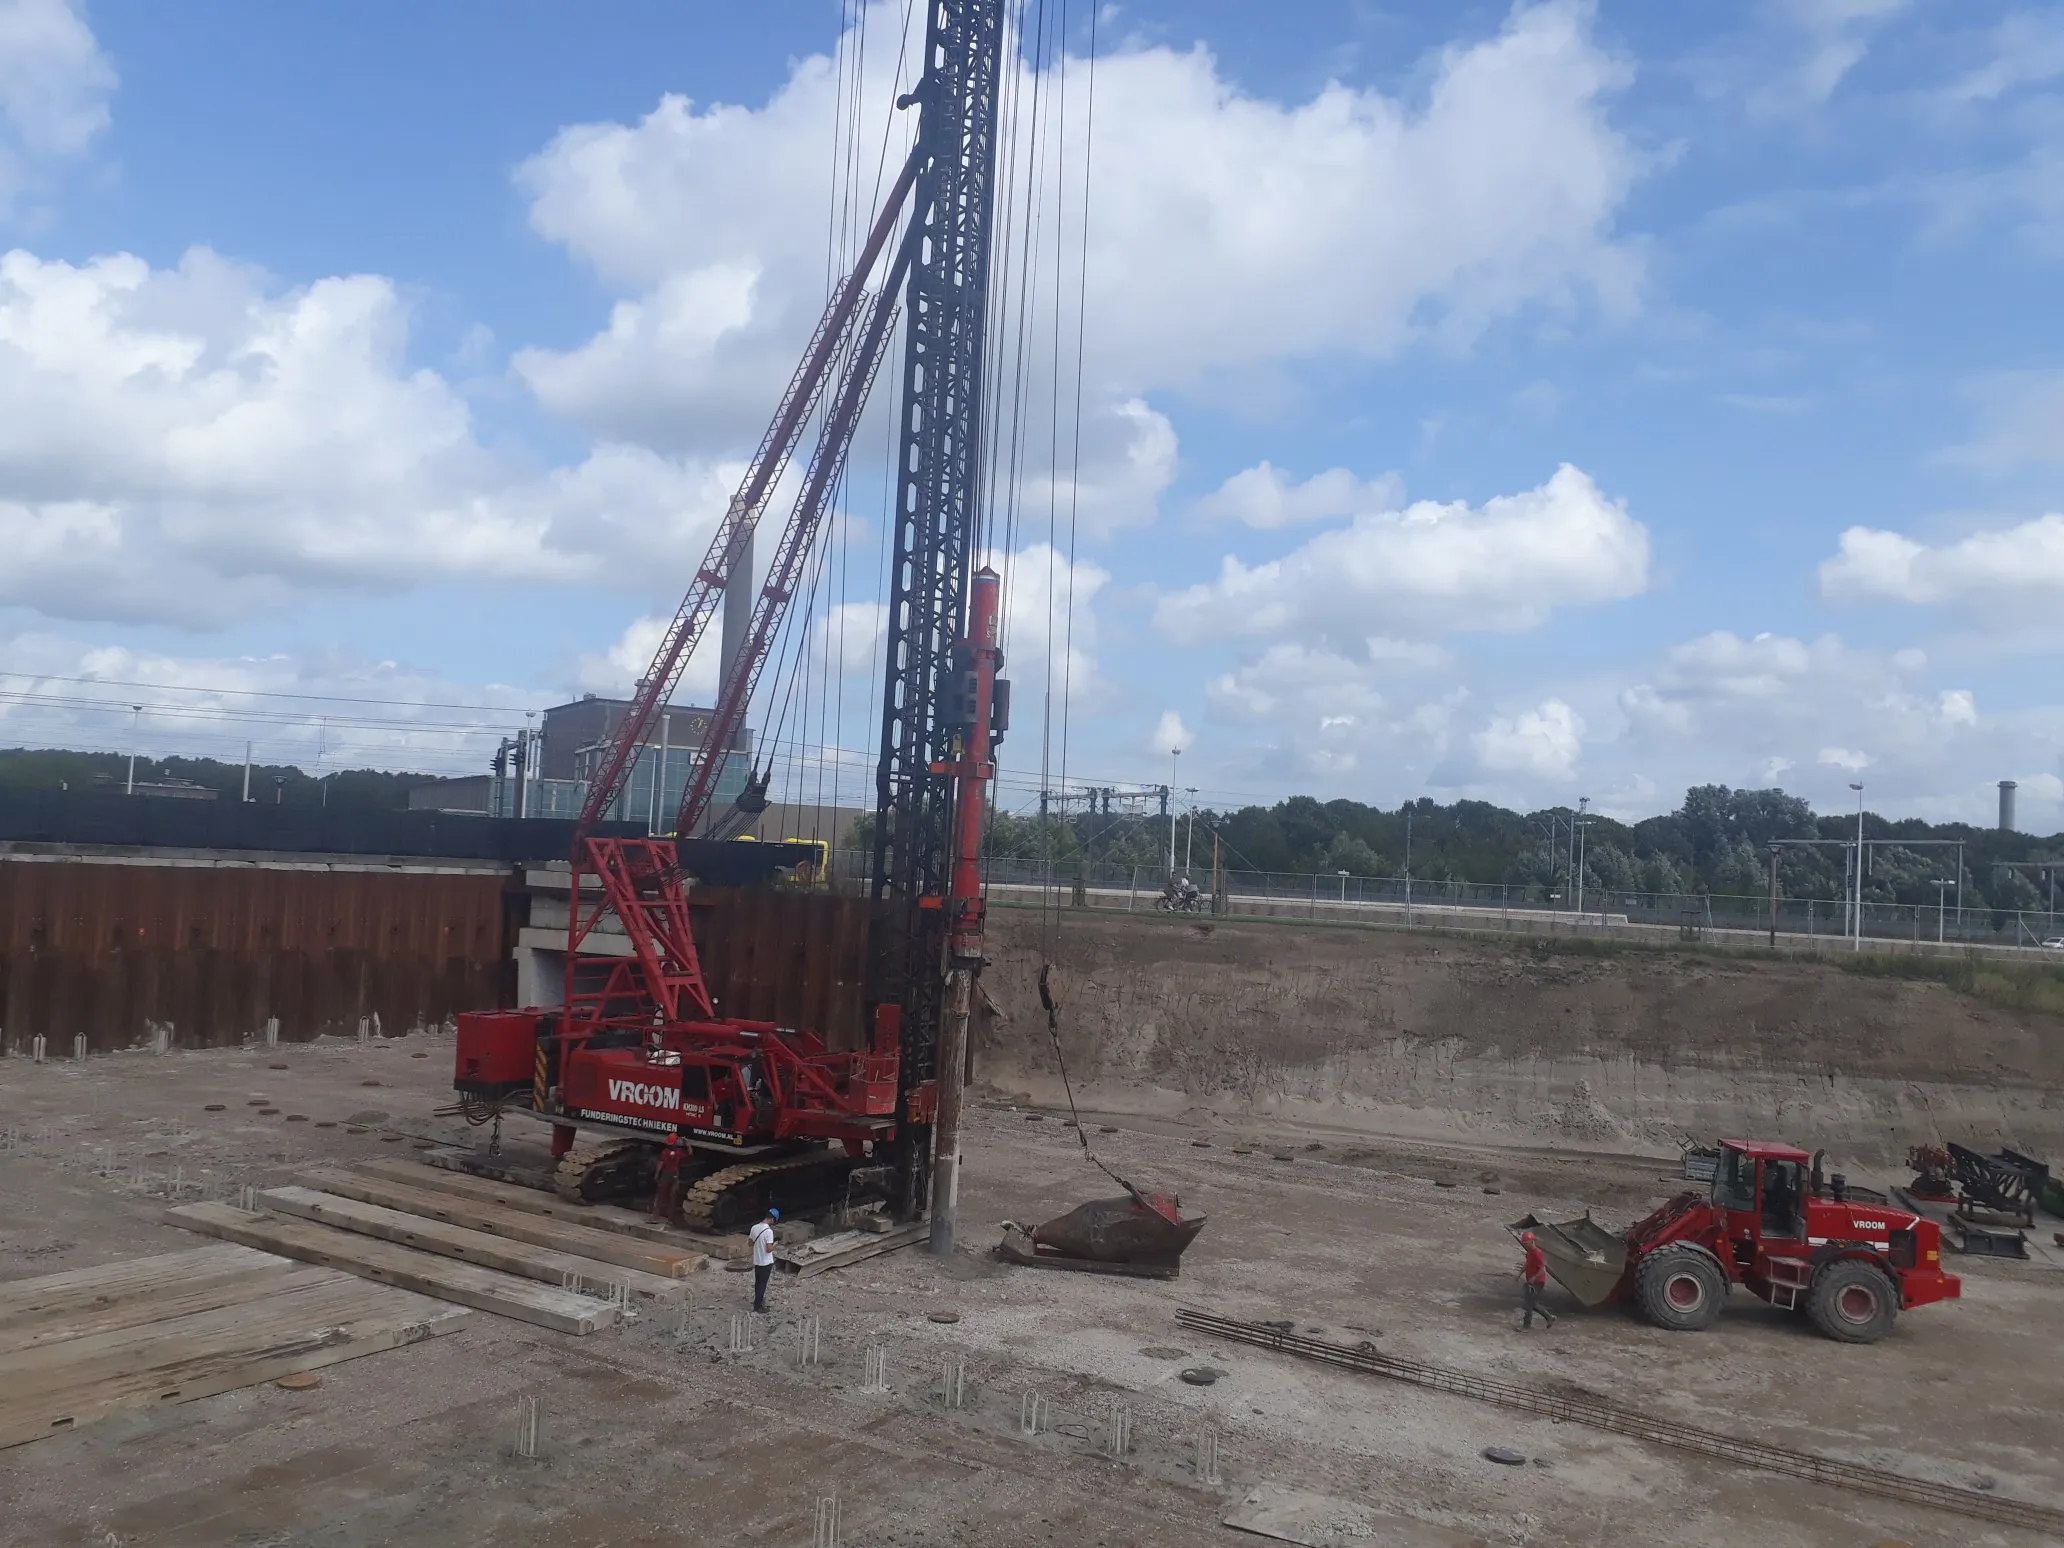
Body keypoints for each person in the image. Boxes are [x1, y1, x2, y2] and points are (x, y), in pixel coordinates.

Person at [1519, 1231, 1556, 1329]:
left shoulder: (1537, 1253)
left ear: (1532, 1242)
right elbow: (1527, 1264)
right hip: (1531, 1281)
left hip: (1538, 1282)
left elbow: (1543, 1269)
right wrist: (1519, 1274)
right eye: (1524, 1244)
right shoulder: (1530, 1253)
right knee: (1532, 1302)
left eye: (1526, 1243)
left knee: (1529, 1303)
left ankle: (1526, 1326)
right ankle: (1549, 1317)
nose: (1525, 1245)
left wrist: (1534, 1278)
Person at [649, 1133, 687, 1223]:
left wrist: (657, 1174)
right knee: (673, 1197)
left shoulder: (665, 1152)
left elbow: (661, 1164)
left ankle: (655, 1216)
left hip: (666, 1175)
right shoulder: (679, 1153)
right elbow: (689, 1153)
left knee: (660, 1196)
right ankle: (670, 1219)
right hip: (675, 1175)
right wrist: (686, 1144)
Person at [748, 1207, 780, 1313]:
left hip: (757, 1261)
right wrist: (775, 1244)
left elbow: (750, 1243)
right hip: (766, 1262)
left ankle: (758, 1301)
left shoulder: (754, 1228)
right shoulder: (769, 1231)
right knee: (763, 1284)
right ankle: (758, 1306)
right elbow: (769, 1249)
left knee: (758, 1283)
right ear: (773, 1219)